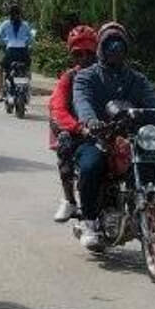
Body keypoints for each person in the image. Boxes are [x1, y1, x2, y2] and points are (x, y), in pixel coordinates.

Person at [71, 22, 155, 251]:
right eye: (109, 43)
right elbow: (82, 101)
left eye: (119, 43)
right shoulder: (86, 77)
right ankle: (90, 222)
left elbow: (154, 101)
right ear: (100, 47)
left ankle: (153, 210)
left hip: (133, 138)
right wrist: (90, 121)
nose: (115, 48)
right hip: (98, 137)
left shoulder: (136, 79)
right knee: (91, 166)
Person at [47, 24, 98, 222]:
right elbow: (58, 108)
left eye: (88, 53)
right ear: (71, 55)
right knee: (65, 143)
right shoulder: (69, 78)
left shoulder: (105, 74)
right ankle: (70, 200)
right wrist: (78, 128)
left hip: (106, 131)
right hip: (78, 132)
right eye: (78, 54)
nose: (84, 58)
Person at [0, 3, 34, 101]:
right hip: (23, 52)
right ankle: (27, 90)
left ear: (9, 14)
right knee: (27, 68)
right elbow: (31, 40)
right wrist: (29, 46)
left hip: (11, 52)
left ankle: (0, 93)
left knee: (0, 69)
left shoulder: (5, 24)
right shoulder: (25, 25)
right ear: (20, 14)